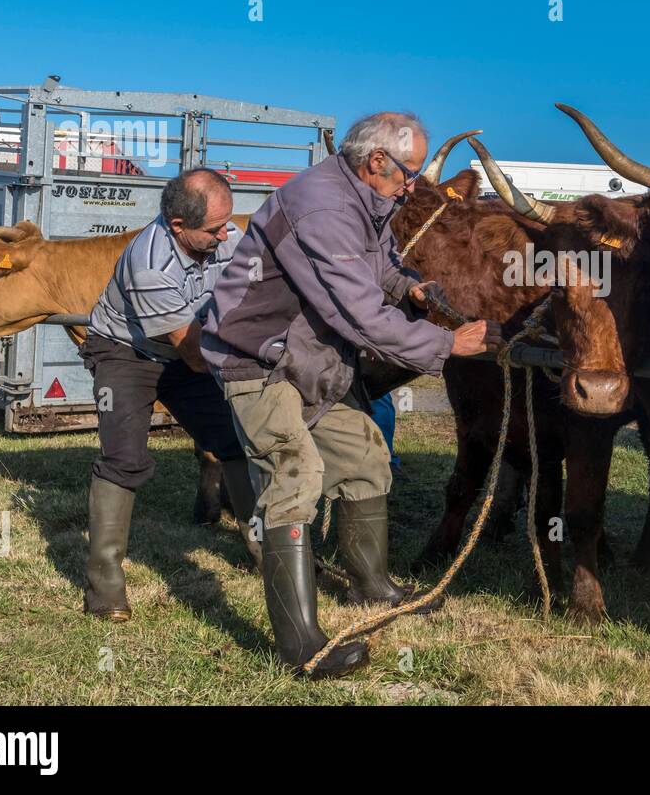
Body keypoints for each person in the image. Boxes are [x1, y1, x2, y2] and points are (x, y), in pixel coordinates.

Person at [201, 112, 500, 679]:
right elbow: (360, 315)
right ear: (377, 161)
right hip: (257, 361)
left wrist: (405, 281)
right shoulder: (325, 207)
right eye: (409, 173)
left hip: (306, 360)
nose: (414, 186)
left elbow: (377, 266)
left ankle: (371, 586)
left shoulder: (364, 196)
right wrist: (446, 343)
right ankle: (301, 645)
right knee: (296, 475)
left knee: (364, 450)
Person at [80, 168, 261, 623]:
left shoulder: (227, 235)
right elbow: (198, 358)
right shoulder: (149, 263)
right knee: (124, 457)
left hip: (186, 346)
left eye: (226, 223)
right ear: (179, 226)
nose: (226, 234)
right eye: (215, 229)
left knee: (233, 441)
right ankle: (104, 585)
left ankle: (270, 554)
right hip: (127, 353)